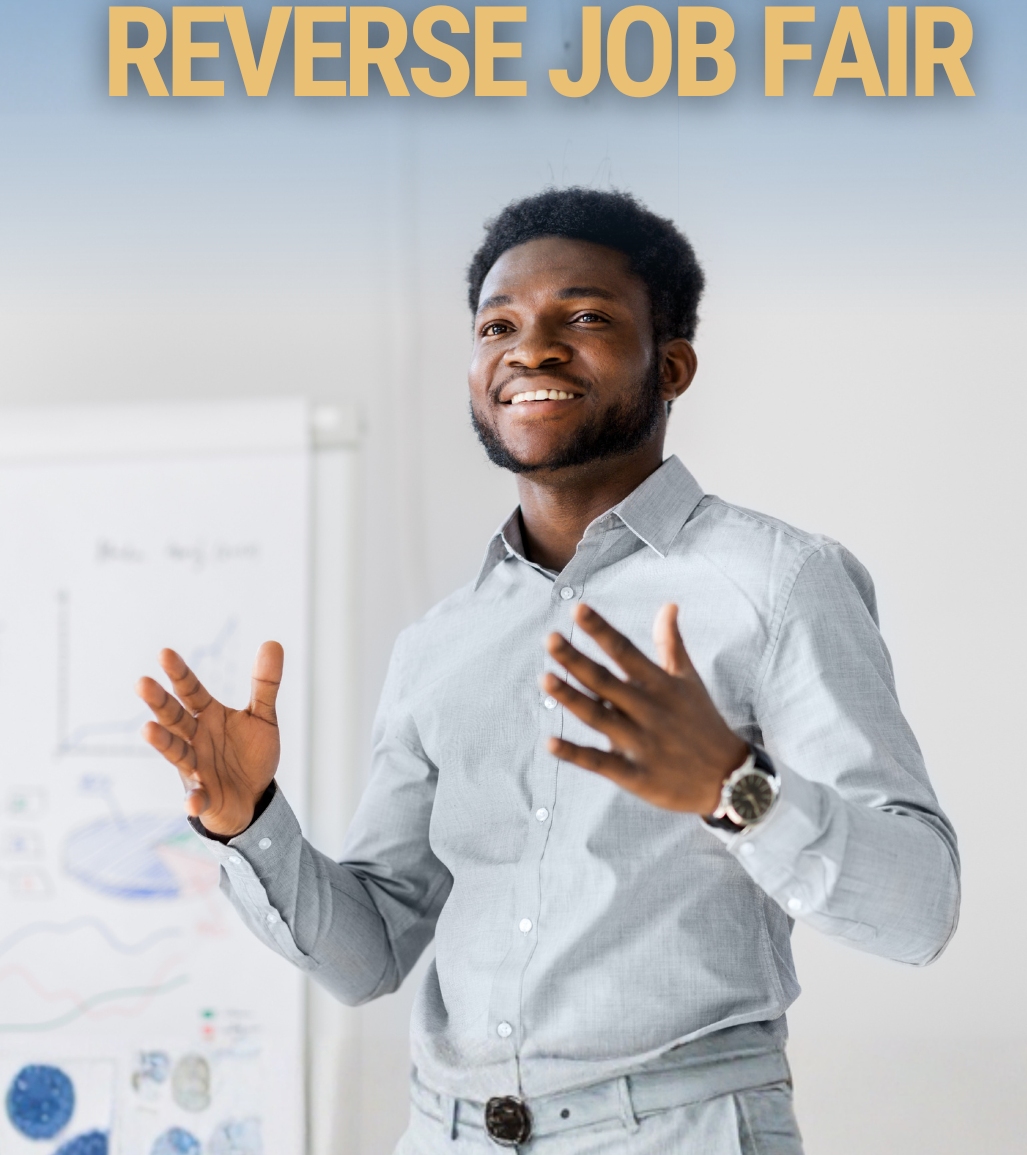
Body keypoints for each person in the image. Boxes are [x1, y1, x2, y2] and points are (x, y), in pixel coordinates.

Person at [137, 188, 960, 1154]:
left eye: (586, 318)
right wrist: (249, 822)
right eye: (499, 326)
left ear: (672, 367)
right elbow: (370, 956)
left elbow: (921, 910)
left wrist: (731, 787)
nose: (531, 350)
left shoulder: (779, 584)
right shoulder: (439, 644)